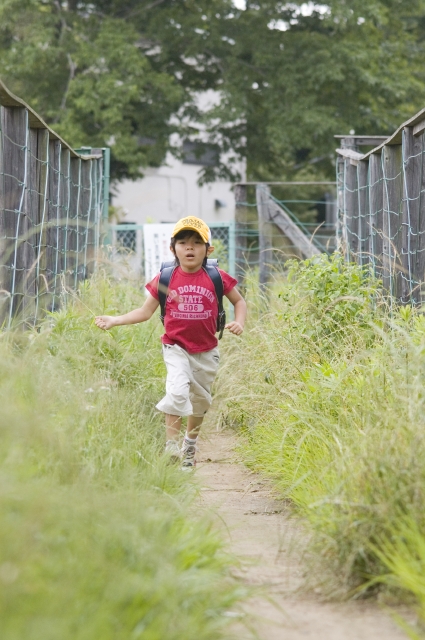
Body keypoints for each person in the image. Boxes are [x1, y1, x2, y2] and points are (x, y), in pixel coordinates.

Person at [95, 216, 247, 469]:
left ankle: (190, 444)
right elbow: (144, 312)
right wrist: (115, 320)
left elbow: (239, 302)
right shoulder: (165, 278)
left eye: (197, 243)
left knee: (200, 402)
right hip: (175, 347)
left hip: (207, 350)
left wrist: (239, 322)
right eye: (184, 242)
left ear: (208, 250)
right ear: (172, 248)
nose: (190, 248)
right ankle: (171, 447)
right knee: (176, 391)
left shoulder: (216, 277)